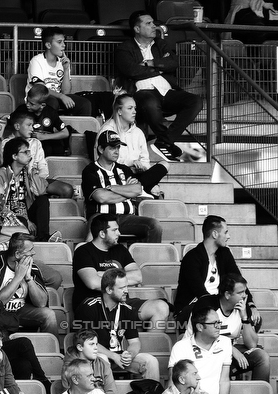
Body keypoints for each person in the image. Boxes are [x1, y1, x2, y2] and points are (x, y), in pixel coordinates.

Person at [114, 11, 202, 162]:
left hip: (166, 91)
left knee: (195, 101)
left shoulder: (161, 44)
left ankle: (164, 142)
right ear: (137, 29)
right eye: (148, 24)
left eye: (153, 23)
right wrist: (159, 68)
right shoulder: (125, 48)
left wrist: (150, 63)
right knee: (149, 102)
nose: (154, 26)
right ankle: (166, 142)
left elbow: (173, 63)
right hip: (141, 92)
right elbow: (131, 71)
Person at [71, 214, 170, 325]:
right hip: (95, 305)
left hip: (122, 303)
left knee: (161, 307)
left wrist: (103, 274)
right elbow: (93, 283)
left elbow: (138, 277)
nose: (119, 233)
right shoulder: (83, 252)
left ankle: (151, 343)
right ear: (102, 234)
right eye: (115, 230)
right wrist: (123, 277)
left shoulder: (120, 250)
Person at [181, 274, 269, 382]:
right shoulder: (206, 304)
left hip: (227, 354)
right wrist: (232, 349)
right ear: (227, 294)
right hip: (199, 352)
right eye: (240, 293)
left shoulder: (242, 307)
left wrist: (244, 318)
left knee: (261, 356)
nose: (245, 296)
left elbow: (252, 344)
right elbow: (203, 336)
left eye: (245, 292)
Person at [76, 268, 159, 382]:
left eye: (126, 286)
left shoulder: (127, 310)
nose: (126, 291)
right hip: (95, 357)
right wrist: (113, 356)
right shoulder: (89, 307)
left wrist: (129, 354)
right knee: (102, 359)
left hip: (118, 357)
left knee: (150, 361)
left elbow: (134, 342)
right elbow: (86, 342)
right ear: (109, 290)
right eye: (121, 288)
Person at [82, 132, 164, 243]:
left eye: (118, 147)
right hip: (101, 217)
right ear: (101, 149)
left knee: (155, 225)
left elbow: (137, 190)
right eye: (112, 148)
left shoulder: (124, 169)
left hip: (126, 218)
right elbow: (101, 197)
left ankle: (150, 259)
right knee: (94, 234)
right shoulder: (90, 171)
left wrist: (112, 188)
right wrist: (126, 189)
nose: (117, 151)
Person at [175, 215, 259, 320]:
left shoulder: (225, 254)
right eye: (226, 232)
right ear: (215, 234)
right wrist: (221, 308)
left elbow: (238, 281)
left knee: (253, 318)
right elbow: (200, 293)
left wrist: (250, 304)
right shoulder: (192, 258)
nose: (228, 236)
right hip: (194, 307)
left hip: (221, 305)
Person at [167, 305, 233, 394]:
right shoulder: (181, 347)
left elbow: (224, 380)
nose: (219, 326)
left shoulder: (226, 343)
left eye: (219, 322)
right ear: (200, 327)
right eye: (214, 323)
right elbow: (173, 382)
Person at [0, 234, 59, 338]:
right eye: (30, 250)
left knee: (49, 315)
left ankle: (51, 351)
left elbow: (41, 303)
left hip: (22, 311)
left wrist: (28, 278)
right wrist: (18, 277)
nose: (34, 253)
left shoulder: (33, 268)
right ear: (18, 254)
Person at [65, 329, 139, 394]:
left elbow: (112, 393)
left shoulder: (103, 364)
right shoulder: (69, 366)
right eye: (91, 344)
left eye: (96, 344)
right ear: (80, 347)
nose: (96, 348)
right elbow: (68, 393)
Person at [96, 95, 169, 191]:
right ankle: (142, 189)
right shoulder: (107, 131)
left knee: (164, 164)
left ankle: (139, 188)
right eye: (130, 108)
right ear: (119, 111)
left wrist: (142, 167)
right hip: (117, 176)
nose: (134, 111)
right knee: (154, 189)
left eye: (135, 108)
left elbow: (145, 160)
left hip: (137, 176)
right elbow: (104, 161)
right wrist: (131, 166)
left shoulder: (138, 132)